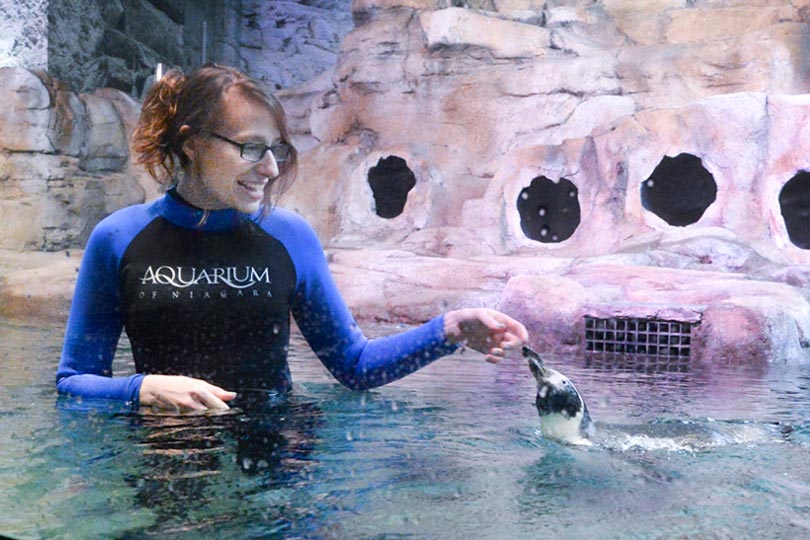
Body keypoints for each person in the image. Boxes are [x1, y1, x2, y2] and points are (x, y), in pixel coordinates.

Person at [56, 63, 529, 412]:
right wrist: (143, 389)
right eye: (250, 148)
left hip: (280, 469)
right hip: (163, 468)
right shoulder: (118, 238)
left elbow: (355, 365)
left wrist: (447, 331)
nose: (270, 168)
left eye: (276, 149)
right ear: (190, 143)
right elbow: (74, 383)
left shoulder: (290, 237)